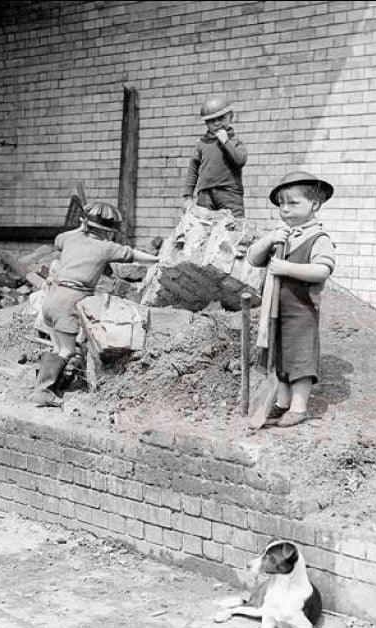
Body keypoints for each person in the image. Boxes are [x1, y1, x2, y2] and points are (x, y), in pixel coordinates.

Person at [32, 202, 159, 407]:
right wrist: (158, 259)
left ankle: (53, 386)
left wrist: (80, 228)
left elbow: (57, 240)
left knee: (58, 347)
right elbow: (133, 254)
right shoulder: (106, 247)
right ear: (109, 231)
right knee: (67, 351)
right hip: (69, 300)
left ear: (85, 223)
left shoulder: (71, 238)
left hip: (51, 297)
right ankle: (43, 392)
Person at [246, 171, 337, 428]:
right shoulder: (282, 235)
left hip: (301, 311)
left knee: (300, 359)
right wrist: (269, 239)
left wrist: (286, 268)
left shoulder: (318, 238)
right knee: (281, 358)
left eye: (293, 203)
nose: (285, 209)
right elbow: (253, 258)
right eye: (281, 204)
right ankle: (282, 402)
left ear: (315, 205)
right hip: (276, 310)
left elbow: (322, 270)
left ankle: (299, 408)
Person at [181, 95, 248, 218]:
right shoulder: (201, 144)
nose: (217, 123)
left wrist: (226, 142)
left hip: (230, 194)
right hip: (205, 196)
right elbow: (193, 171)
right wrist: (187, 197)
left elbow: (240, 160)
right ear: (206, 123)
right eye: (212, 120)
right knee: (203, 225)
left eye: (221, 118)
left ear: (231, 116)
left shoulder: (235, 141)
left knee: (234, 225)